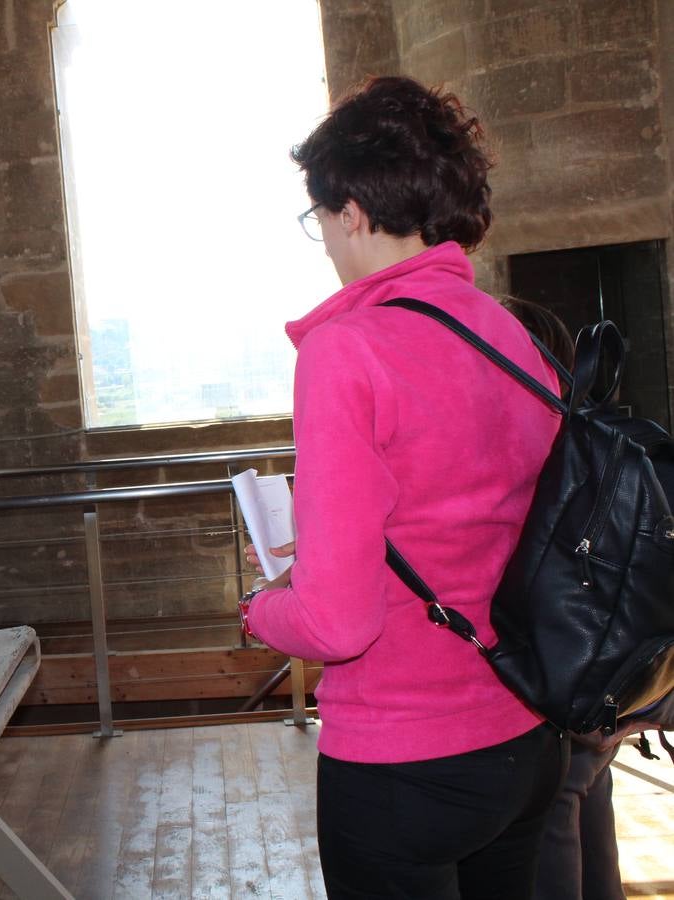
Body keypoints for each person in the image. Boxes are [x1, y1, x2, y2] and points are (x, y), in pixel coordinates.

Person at [240, 76, 568, 898]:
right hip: (525, 737)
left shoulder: (347, 351)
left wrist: (258, 607)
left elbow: (336, 622)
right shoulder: (508, 333)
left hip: (405, 762)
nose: (324, 238)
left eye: (319, 217)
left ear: (351, 209)